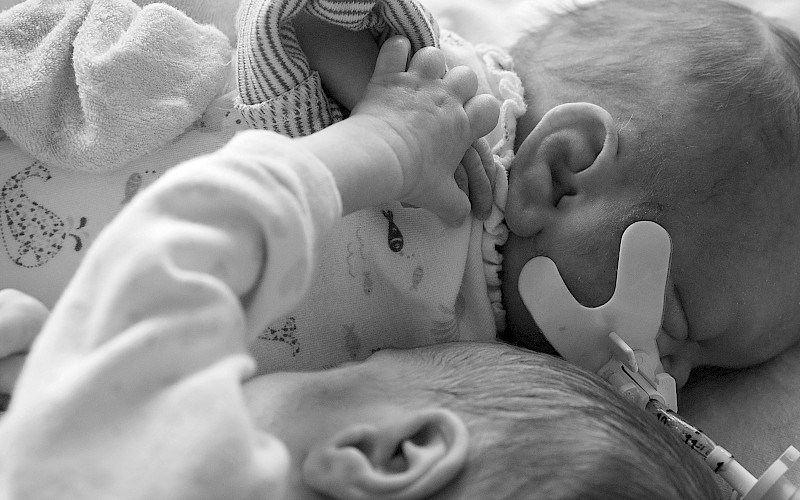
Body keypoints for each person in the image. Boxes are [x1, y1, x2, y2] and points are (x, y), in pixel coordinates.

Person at [0, 37, 720, 499]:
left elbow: (182, 235)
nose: (677, 377)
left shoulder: (174, 461)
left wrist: (377, 150)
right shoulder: (473, 119)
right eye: (685, 323)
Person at [234, 0, 800, 390]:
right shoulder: (450, 118)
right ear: (560, 176)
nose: (672, 377)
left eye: (703, 371)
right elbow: (295, 19)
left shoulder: (515, 371)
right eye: (676, 324)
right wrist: (385, 121)